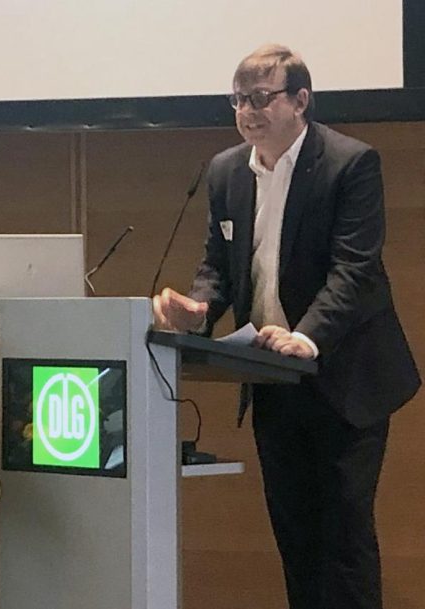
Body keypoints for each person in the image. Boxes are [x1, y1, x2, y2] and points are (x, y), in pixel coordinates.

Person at [153, 44, 421, 609]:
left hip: (346, 378)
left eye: (261, 98)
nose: (247, 112)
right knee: (296, 537)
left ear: (300, 101)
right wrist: (199, 310)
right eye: (238, 100)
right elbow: (218, 266)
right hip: (272, 376)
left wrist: (307, 336)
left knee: (343, 536)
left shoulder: (350, 163)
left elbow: (355, 270)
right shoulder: (226, 171)